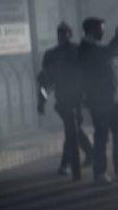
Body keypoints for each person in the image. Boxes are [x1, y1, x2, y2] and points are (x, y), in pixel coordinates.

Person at [37, 22, 93, 179]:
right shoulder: (52, 55)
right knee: (73, 129)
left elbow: (88, 74)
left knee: (72, 129)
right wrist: (41, 101)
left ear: (70, 34)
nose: (62, 36)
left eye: (65, 33)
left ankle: (67, 163)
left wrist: (89, 95)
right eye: (60, 33)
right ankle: (89, 154)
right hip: (63, 97)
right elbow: (44, 81)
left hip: (77, 97)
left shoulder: (78, 51)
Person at [78, 17, 118, 184]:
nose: (103, 32)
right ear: (92, 31)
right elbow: (109, 52)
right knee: (102, 136)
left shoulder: (96, 46)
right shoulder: (87, 49)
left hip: (111, 97)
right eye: (101, 29)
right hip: (99, 99)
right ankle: (100, 172)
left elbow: (116, 52)